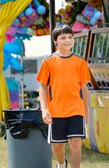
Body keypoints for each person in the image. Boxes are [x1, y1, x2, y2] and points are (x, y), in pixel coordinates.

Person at [36, 25, 90, 168]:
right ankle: (61, 163)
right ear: (55, 41)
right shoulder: (48, 61)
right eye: (63, 37)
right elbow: (42, 86)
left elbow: (84, 89)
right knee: (58, 146)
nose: (67, 40)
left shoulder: (81, 62)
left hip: (76, 109)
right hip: (56, 110)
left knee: (75, 142)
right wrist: (44, 109)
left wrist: (87, 112)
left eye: (70, 37)